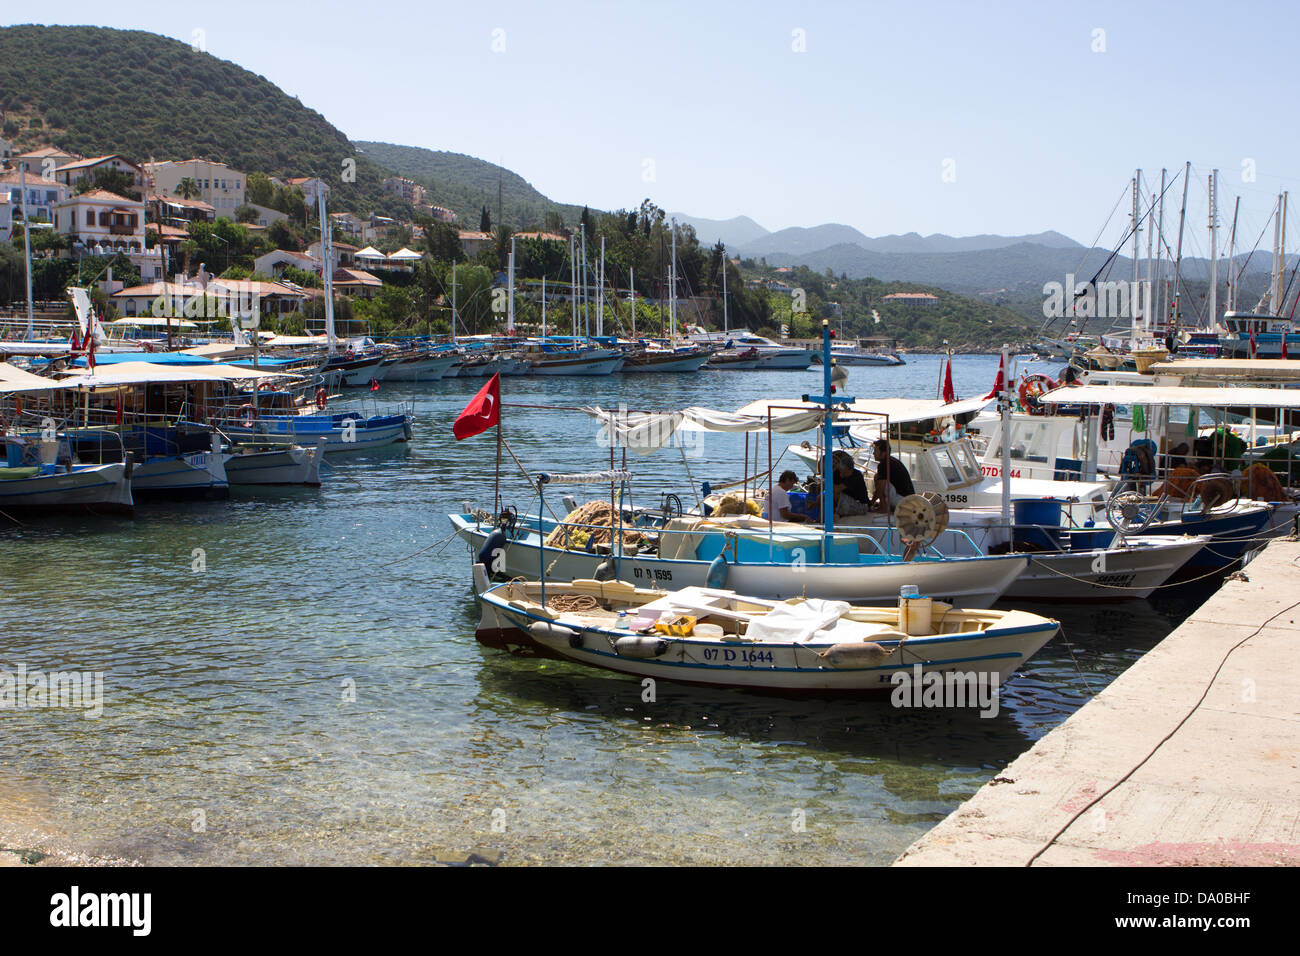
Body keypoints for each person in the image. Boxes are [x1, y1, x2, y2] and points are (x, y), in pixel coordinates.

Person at [871, 439, 915, 512]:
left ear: (883, 453)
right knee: (878, 476)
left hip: (902, 502)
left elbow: (880, 488)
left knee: (879, 481)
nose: (873, 453)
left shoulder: (884, 464)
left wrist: (871, 503)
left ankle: (883, 507)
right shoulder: (892, 460)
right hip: (908, 500)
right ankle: (885, 505)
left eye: (876, 451)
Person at [831, 450, 871, 517]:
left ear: (849, 469)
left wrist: (826, 483)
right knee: (823, 496)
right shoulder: (837, 473)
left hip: (860, 505)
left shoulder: (856, 476)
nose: (840, 473)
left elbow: (836, 490)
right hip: (846, 500)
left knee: (833, 494)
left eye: (842, 471)